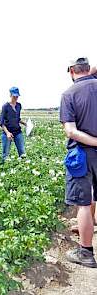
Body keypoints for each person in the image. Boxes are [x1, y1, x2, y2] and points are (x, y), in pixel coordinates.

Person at [60, 57, 97, 268]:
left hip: (83, 153)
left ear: (72, 71)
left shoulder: (69, 94)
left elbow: (71, 131)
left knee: (83, 203)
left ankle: (85, 252)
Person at [0, 87, 26, 162]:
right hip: (7, 132)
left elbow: (17, 118)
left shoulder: (19, 106)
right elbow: (1, 122)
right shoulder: (5, 106)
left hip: (18, 132)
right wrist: (7, 133)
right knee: (5, 154)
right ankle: (3, 168)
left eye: (17, 96)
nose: (16, 98)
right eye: (14, 96)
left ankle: (24, 167)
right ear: (10, 95)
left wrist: (25, 123)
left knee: (22, 152)